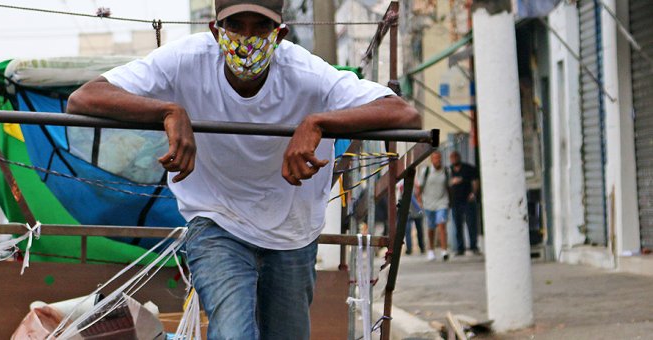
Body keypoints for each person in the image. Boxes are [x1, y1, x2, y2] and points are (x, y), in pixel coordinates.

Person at [66, 0, 421, 338]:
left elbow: (405, 114)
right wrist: (168, 112)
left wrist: (318, 123)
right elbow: (84, 97)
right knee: (233, 332)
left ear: (279, 35)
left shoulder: (306, 72)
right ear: (215, 29)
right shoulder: (186, 59)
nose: (246, 38)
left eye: (260, 27)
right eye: (235, 26)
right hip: (217, 219)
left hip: (291, 230)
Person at [417, 151, 449, 261]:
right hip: (428, 204)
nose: (438, 160)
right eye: (435, 158)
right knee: (431, 228)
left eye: (439, 158)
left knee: (442, 224)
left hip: (442, 202)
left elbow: (449, 187)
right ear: (432, 160)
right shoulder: (425, 171)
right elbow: (419, 188)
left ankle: (444, 251)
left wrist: (450, 201)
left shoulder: (446, 171)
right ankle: (431, 250)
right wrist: (420, 201)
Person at [448, 151, 480, 256]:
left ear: (459, 157)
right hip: (455, 201)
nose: (454, 159)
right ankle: (460, 248)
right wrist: (452, 182)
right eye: (452, 157)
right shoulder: (449, 171)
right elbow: (446, 184)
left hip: (467, 200)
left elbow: (475, 181)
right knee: (457, 225)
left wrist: (473, 193)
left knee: (471, 223)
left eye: (455, 157)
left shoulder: (468, 168)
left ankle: (473, 246)